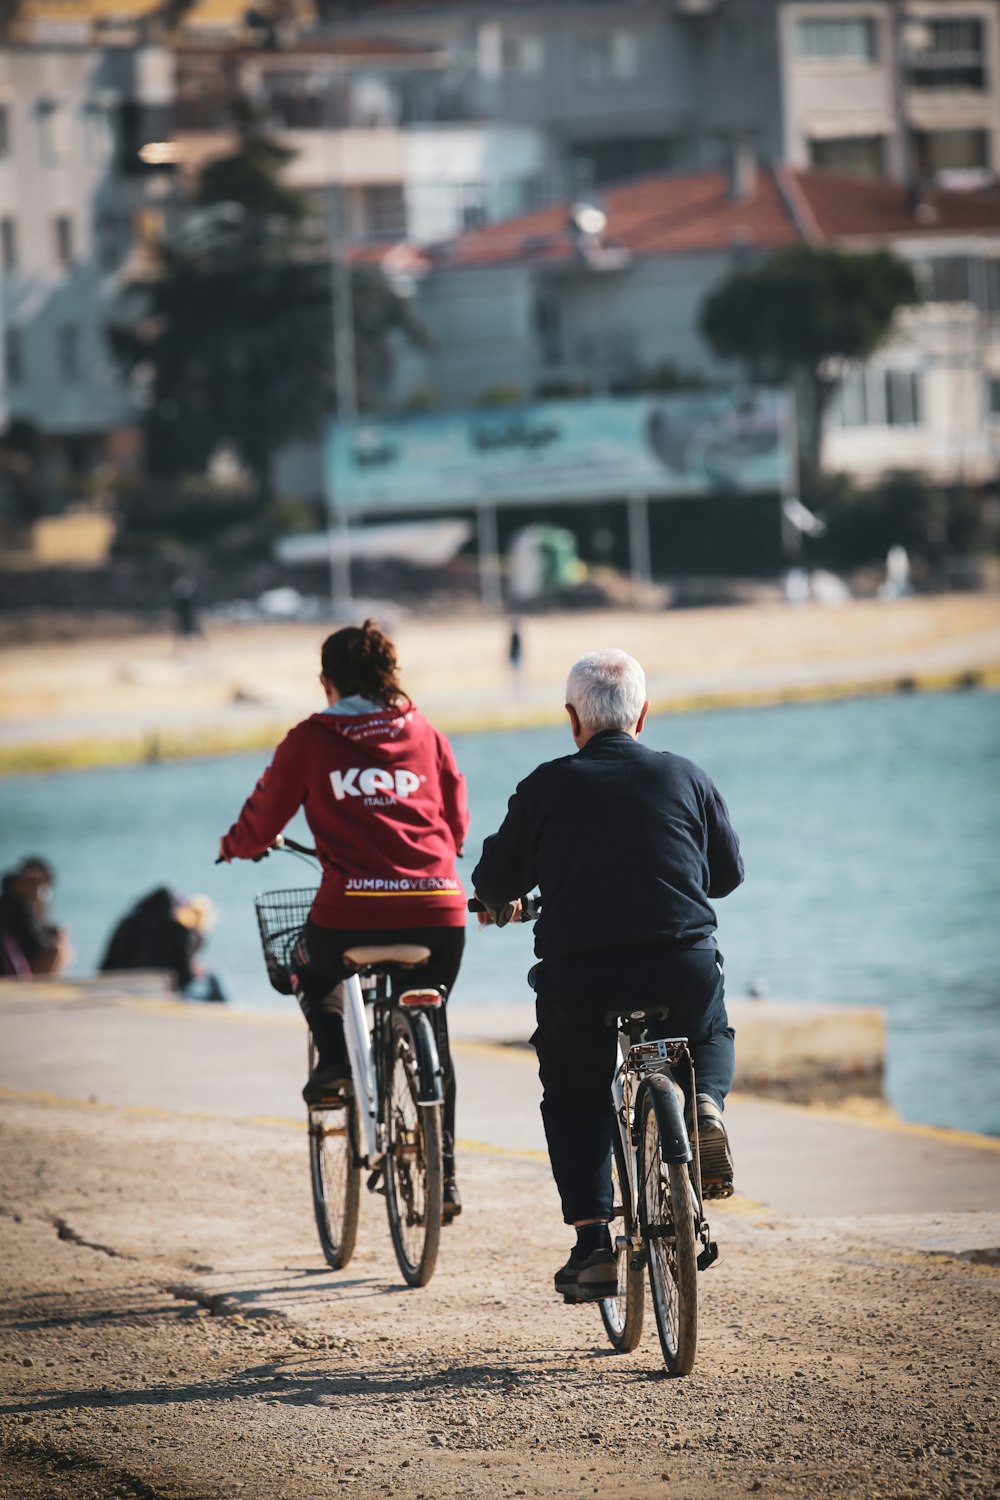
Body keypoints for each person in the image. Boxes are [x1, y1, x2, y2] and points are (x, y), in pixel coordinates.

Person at [471, 648, 743, 1302]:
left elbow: (492, 881)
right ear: (643, 714)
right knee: (707, 1032)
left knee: (574, 1089)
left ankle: (593, 1241)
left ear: (573, 719)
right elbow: (727, 875)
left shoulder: (544, 786)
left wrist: (501, 904)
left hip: (581, 976)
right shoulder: (687, 776)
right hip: (680, 962)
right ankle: (703, 1103)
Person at [217, 618, 469, 1220]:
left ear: (327, 682)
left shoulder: (309, 738)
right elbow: (456, 815)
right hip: (438, 908)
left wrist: (237, 845)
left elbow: (262, 817)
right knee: (430, 1024)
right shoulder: (423, 729)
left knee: (307, 958)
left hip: (351, 913)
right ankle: (447, 1175)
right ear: (389, 674)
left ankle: (333, 1060)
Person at [100, 888, 227, 1001]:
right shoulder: (181, 931)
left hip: (113, 986)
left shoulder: (129, 921)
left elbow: (106, 964)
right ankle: (231, 1013)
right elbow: (185, 975)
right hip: (159, 992)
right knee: (214, 976)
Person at [0, 856, 71, 977]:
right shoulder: (19, 905)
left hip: (18, 958)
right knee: (57, 950)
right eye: (33, 881)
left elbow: (35, 930)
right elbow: (34, 941)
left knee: (60, 944)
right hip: (14, 966)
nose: (41, 887)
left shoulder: (15, 901)